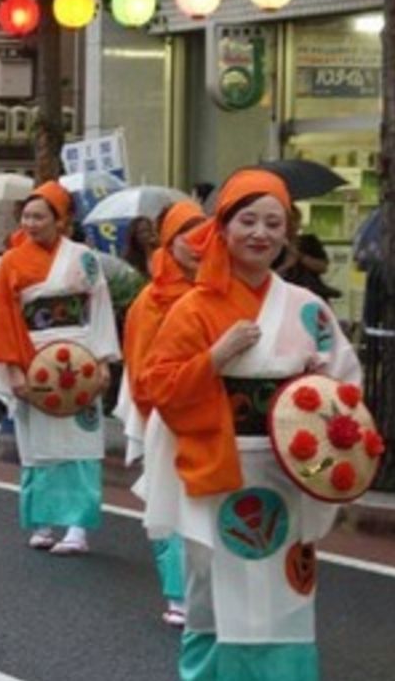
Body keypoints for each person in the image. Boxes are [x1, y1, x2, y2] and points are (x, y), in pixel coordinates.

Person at [143, 169, 360, 681]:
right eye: (248, 220)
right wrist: (214, 359)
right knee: (214, 591)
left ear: (287, 232)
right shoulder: (193, 308)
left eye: (273, 222)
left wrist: (316, 389)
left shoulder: (307, 308)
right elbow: (159, 385)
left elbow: (344, 384)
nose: (260, 233)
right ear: (222, 227)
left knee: (286, 594)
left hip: (288, 470)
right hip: (220, 466)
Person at [0, 181, 119, 555]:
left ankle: (78, 527)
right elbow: (1, 317)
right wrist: (14, 370)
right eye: (26, 216)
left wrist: (103, 360)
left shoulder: (82, 257)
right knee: (36, 445)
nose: (31, 223)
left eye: (39, 216)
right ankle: (43, 522)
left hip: (80, 355)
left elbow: (100, 305)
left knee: (82, 443)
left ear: (60, 221)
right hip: (33, 354)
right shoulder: (12, 261)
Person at [115, 200, 207, 628]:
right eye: (187, 233)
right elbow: (141, 365)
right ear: (169, 242)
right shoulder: (149, 302)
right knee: (170, 500)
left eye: (205, 231)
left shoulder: (222, 290)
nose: (198, 243)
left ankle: (206, 590)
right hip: (168, 415)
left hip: (216, 416)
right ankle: (177, 592)